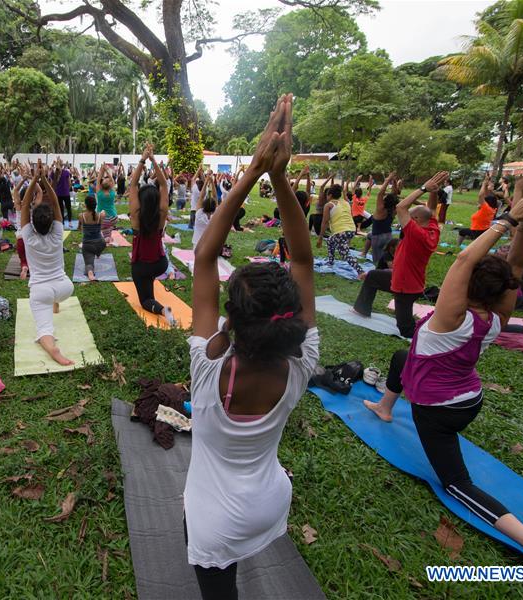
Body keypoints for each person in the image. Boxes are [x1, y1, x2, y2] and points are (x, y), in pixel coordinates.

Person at [363, 181, 523, 594]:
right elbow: (514, 268)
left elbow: (465, 257)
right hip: (470, 398)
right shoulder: (496, 315)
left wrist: (508, 220)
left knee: (455, 484)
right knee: (400, 357)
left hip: (439, 412)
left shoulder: (450, 316)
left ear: (465, 286)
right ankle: (385, 406)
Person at [185, 94, 319, 600]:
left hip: (215, 520)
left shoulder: (207, 366)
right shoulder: (303, 360)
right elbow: (303, 260)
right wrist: (278, 178)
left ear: (233, 322)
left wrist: (253, 171)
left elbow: (203, 257)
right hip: (270, 500)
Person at [352, 172, 448, 338]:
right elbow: (431, 210)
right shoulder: (432, 228)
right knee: (373, 276)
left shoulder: (415, 233)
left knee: (405, 328)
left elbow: (401, 207)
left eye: (410, 218)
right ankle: (361, 309)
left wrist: (424, 188)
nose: (404, 221)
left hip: (405, 285)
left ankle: (428, 334)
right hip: (408, 279)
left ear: (416, 219)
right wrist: (433, 190)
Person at [20, 161, 75, 366]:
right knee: (53, 290)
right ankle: (56, 305)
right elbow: (55, 202)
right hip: (65, 288)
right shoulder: (58, 232)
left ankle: (53, 350)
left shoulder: (28, 236)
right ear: (52, 221)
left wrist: (34, 178)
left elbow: (25, 206)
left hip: (41, 290)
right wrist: (44, 179)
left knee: (44, 330)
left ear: (32, 222)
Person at [129, 144, 175, 326]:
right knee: (149, 284)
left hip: (141, 266)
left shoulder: (135, 216)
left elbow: (132, 183)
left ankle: (163, 310)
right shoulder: (162, 214)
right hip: (160, 264)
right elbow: (164, 183)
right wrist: (153, 160)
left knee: (144, 300)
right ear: (156, 199)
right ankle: (160, 307)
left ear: (140, 199)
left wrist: (142, 159)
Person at [316, 182, 364, 277]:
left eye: (327, 195)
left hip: (341, 232)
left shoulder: (328, 205)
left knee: (345, 254)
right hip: (351, 230)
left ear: (329, 195)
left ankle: (361, 272)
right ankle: (330, 262)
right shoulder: (346, 202)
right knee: (330, 240)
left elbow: (325, 222)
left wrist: (320, 237)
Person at [365, 172, 400, 266]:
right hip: (388, 236)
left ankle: (380, 276)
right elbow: (395, 194)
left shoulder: (380, 209)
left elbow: (380, 193)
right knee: (388, 258)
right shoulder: (393, 210)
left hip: (378, 237)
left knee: (377, 262)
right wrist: (394, 181)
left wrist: (388, 179)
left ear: (385, 200)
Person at [457, 174, 499, 246]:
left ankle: (458, 245)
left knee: (462, 231)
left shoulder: (486, 208)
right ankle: (472, 239)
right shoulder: (493, 209)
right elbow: (486, 196)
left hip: (477, 231)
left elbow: (481, 195)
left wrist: (483, 184)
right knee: (466, 232)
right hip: (484, 231)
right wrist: (486, 184)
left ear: (487, 202)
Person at [79, 195, 106, 281]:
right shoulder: (100, 216)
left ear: (86, 205)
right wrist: (103, 214)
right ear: (95, 205)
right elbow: (102, 227)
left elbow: (79, 228)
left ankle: (91, 274)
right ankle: (98, 254)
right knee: (103, 240)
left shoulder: (81, 216)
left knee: (89, 264)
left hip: (87, 246)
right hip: (100, 244)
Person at [192, 174, 217, 249]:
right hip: (210, 245)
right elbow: (215, 197)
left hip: (197, 244)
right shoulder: (216, 216)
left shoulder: (199, 214)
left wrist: (206, 182)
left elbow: (201, 196)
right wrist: (212, 182)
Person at [95, 163, 117, 243]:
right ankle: (108, 235)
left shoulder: (99, 193)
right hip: (113, 218)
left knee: (101, 226)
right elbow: (112, 180)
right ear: (110, 186)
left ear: (101, 186)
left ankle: (105, 235)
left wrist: (102, 170)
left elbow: (98, 180)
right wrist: (107, 170)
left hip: (102, 220)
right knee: (108, 227)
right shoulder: (112, 193)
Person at [51, 160, 73, 227]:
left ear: (61, 166)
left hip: (65, 193)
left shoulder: (66, 172)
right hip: (59, 193)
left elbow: (69, 183)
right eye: (58, 165)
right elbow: (53, 182)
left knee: (68, 207)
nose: (59, 167)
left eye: (59, 165)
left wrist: (67, 189)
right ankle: (62, 222)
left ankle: (69, 222)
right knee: (61, 208)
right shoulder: (54, 173)